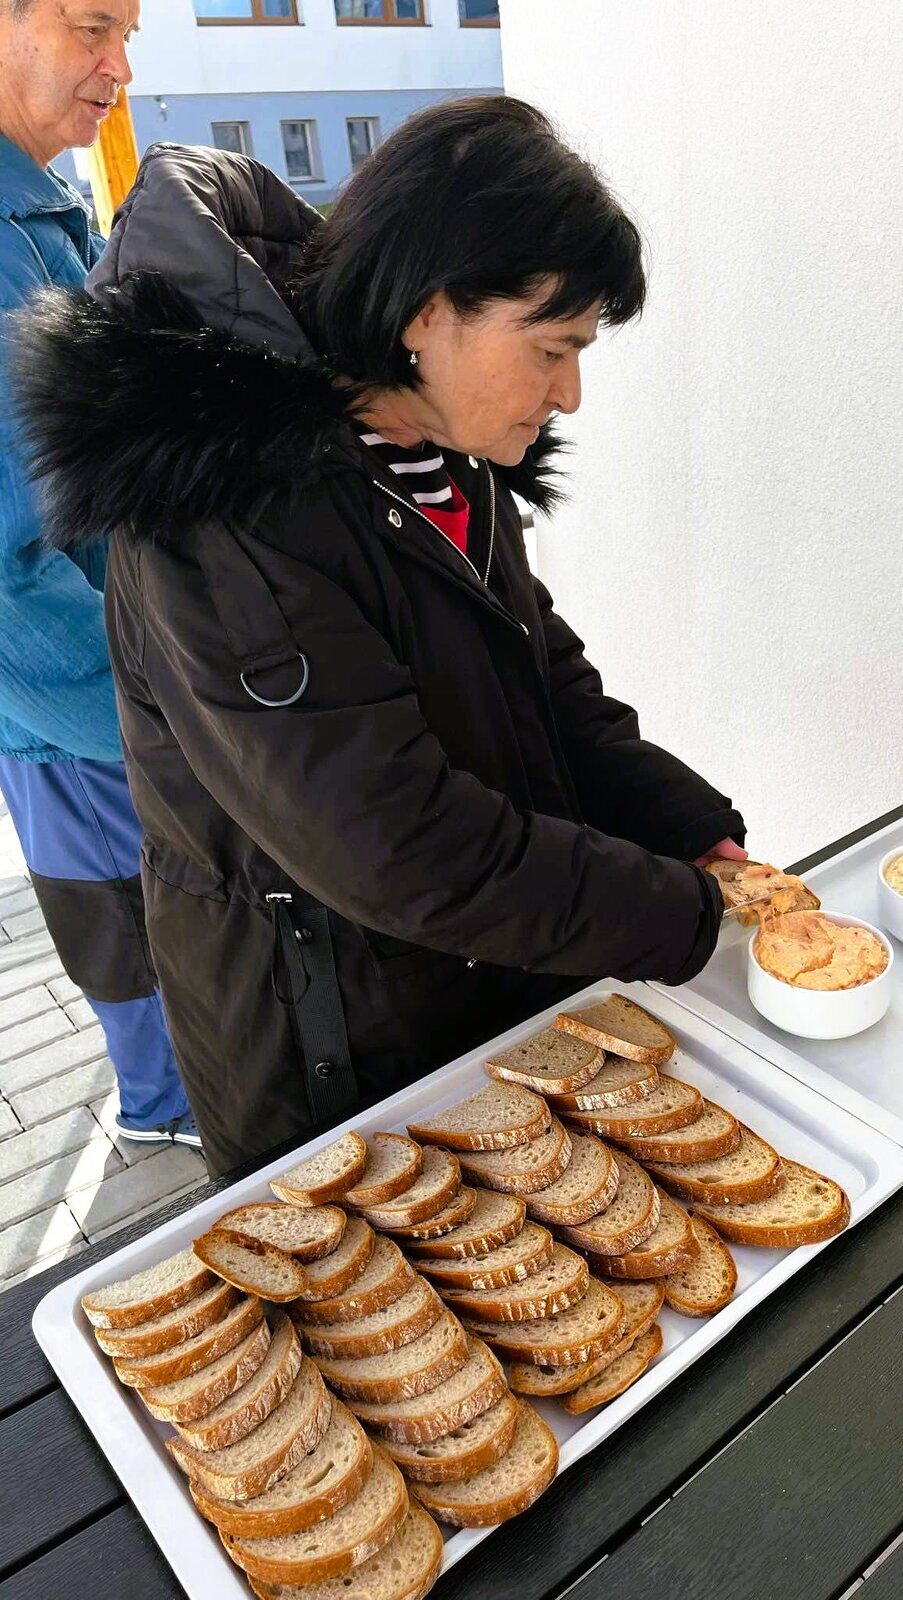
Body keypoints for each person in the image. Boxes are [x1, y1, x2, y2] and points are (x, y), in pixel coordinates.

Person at [14, 97, 746, 1177]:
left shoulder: (443, 445)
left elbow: (542, 672)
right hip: (326, 1050)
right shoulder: (228, 508)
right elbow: (392, 838)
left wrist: (686, 823)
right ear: (428, 310)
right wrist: (679, 913)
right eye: (552, 348)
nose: (570, 394)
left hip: (468, 988)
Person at [0, 0, 198, 1148]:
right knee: (140, 952)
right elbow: (7, 574)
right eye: (90, 26)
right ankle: (174, 1122)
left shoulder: (39, 202)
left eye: (127, 32)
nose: (119, 64)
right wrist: (158, 705)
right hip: (80, 700)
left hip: (109, 674)